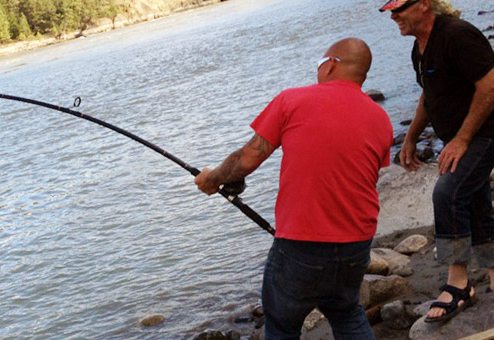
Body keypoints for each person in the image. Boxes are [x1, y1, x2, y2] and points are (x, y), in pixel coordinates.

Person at [195, 38, 393, 339]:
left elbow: (246, 160)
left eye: (320, 63)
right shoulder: (381, 118)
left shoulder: (292, 100)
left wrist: (212, 179)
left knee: (282, 327)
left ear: (331, 65)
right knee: (348, 313)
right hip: (357, 243)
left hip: (302, 245)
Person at [380, 0, 494, 323]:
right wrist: (412, 136)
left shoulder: (457, 36)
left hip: (485, 134)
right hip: (461, 137)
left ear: (424, 5)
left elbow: (490, 86)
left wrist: (462, 139)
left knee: (448, 193)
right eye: (389, 11)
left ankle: (458, 284)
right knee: (474, 199)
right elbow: (429, 95)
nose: (393, 17)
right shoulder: (420, 48)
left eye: (398, 10)